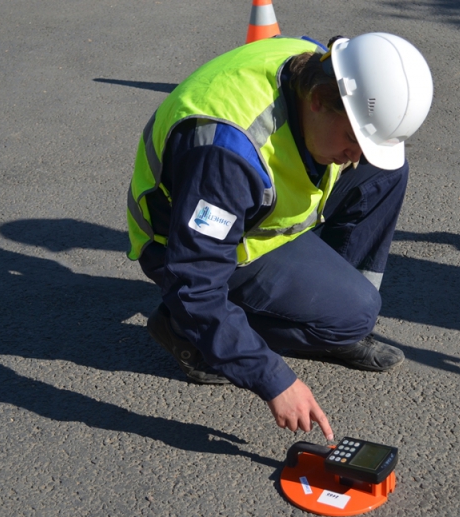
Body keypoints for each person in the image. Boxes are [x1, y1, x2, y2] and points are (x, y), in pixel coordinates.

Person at [126, 32, 433, 441]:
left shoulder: (315, 65)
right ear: (319, 100)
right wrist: (272, 378)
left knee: (386, 172)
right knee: (356, 311)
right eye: (353, 139)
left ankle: (336, 320)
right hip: (185, 245)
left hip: (251, 212)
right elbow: (194, 283)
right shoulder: (226, 154)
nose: (355, 155)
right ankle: (184, 330)